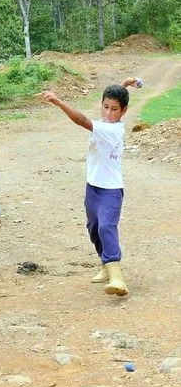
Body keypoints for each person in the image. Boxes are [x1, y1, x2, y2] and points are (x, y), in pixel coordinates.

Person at [42, 77, 141, 296]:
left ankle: (117, 277)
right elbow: (113, 99)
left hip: (111, 190)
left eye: (114, 109)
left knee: (106, 226)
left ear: (123, 111)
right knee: (94, 229)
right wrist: (123, 85)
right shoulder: (107, 122)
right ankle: (105, 267)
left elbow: (82, 121)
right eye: (105, 107)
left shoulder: (113, 130)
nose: (108, 113)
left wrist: (59, 103)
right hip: (93, 187)